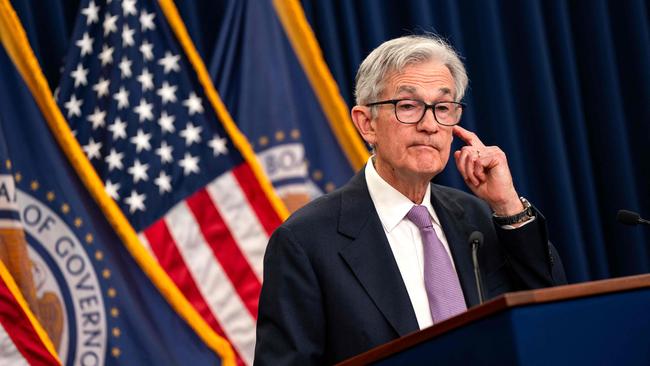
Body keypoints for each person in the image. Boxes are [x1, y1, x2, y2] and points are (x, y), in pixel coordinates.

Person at [254, 35, 567, 365]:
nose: (430, 125)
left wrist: (507, 207)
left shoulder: (476, 217)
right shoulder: (306, 241)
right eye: (408, 106)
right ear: (366, 124)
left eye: (443, 108)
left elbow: (547, 310)